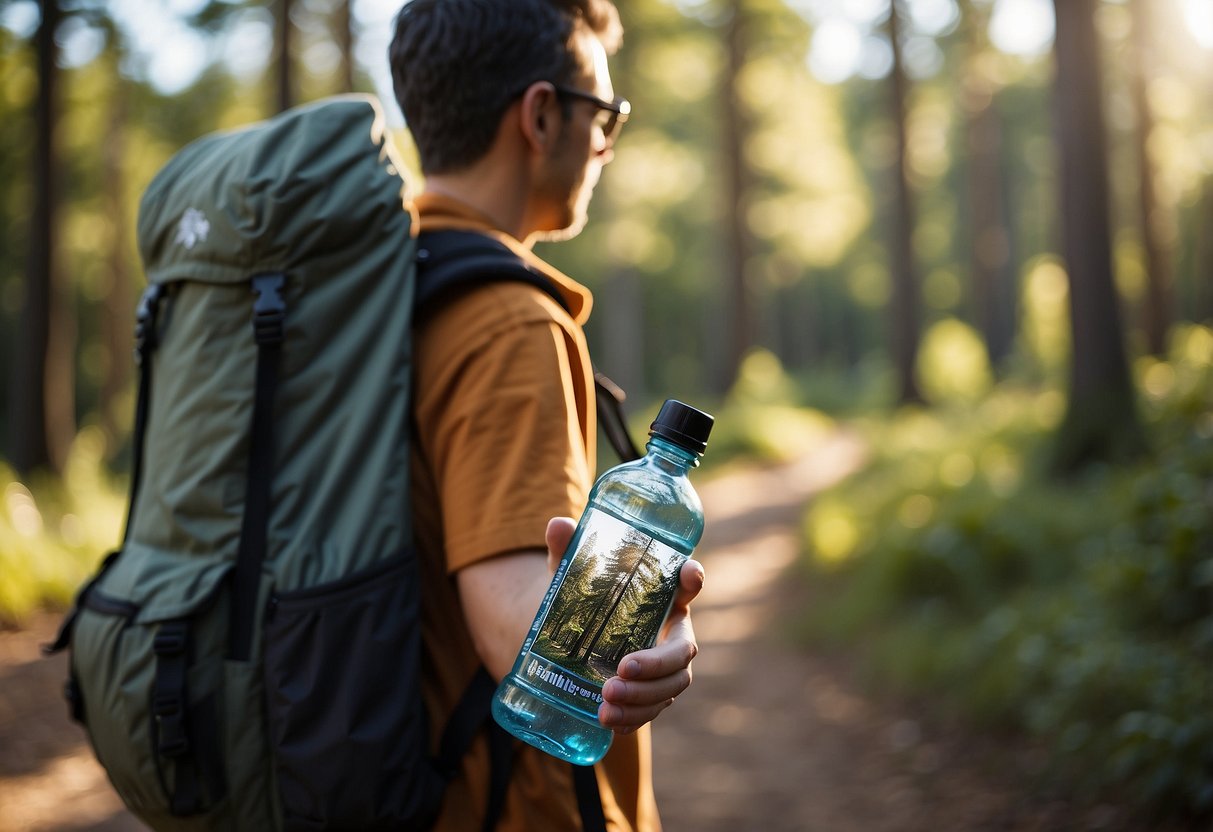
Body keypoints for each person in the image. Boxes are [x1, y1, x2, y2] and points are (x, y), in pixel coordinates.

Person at [388, 1, 704, 830]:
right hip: (499, 807)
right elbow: (513, 632)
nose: (605, 144)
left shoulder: (389, 278)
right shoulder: (507, 321)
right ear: (539, 114)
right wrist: (648, 643)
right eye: (604, 116)